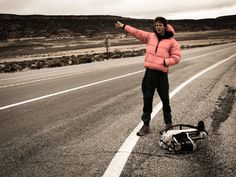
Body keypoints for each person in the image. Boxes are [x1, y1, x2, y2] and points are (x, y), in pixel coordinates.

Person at [115, 17, 181, 136]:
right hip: (149, 73)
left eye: (160, 25)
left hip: (161, 75)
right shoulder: (150, 37)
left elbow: (176, 58)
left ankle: (168, 124)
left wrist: (166, 62)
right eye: (156, 25)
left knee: (165, 99)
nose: (158, 27)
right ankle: (146, 126)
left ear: (165, 26)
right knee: (147, 99)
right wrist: (123, 26)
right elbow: (136, 32)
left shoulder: (172, 41)